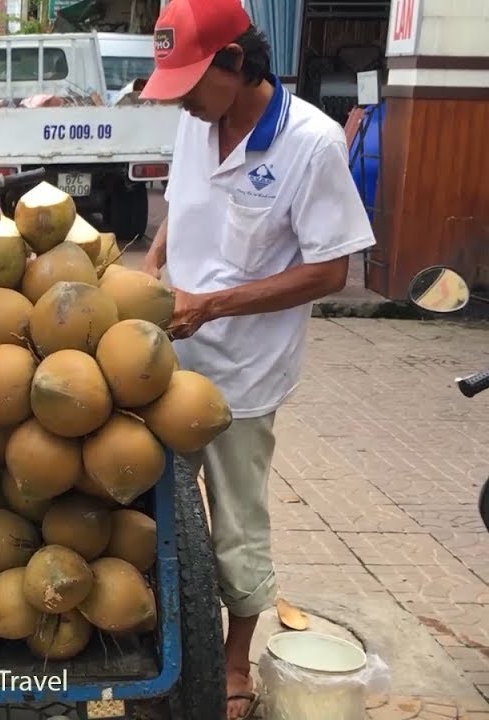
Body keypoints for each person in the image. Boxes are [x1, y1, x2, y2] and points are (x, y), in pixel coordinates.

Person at [137, 1, 374, 718]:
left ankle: (234, 664)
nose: (178, 97)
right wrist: (150, 274)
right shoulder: (194, 122)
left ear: (237, 64)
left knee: (236, 524)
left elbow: (333, 271)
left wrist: (210, 305)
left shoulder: (313, 143)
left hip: (243, 373)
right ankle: (165, 639)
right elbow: (180, 210)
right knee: (149, 507)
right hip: (165, 359)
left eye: (191, 81)